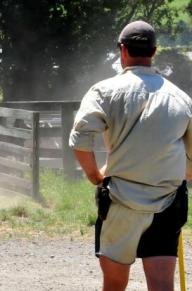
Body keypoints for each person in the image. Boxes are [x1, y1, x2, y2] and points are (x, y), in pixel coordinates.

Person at [70, 20, 191, 291]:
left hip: (119, 201)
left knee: (114, 284)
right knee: (161, 284)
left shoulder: (103, 91)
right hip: (167, 203)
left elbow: (80, 139)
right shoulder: (181, 98)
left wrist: (95, 177)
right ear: (154, 51)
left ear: (121, 50)